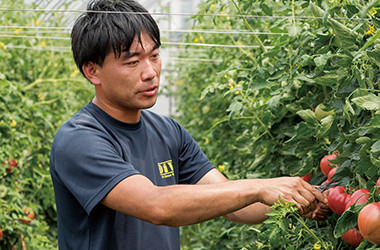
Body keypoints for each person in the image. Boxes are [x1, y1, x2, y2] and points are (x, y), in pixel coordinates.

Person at [49, 0, 331, 249]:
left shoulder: (168, 132)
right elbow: (156, 205)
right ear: (92, 71)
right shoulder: (79, 139)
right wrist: (259, 187)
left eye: (155, 56)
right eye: (132, 62)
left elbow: (235, 208)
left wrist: (304, 196)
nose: (150, 72)